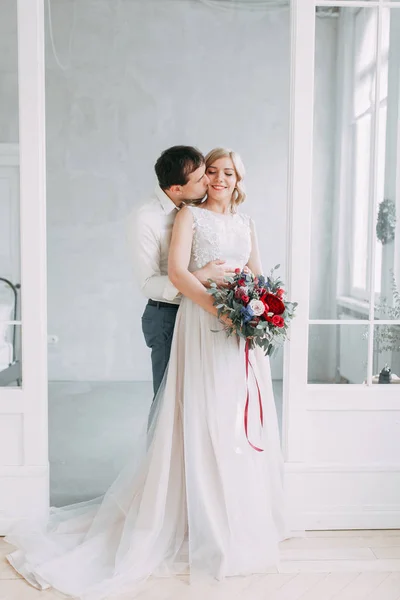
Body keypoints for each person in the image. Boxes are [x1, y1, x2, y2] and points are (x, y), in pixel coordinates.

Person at [5, 148, 287, 600]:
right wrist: (221, 308)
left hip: (238, 332)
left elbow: (256, 275)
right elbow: (172, 274)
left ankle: (232, 512)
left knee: (233, 417)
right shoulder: (184, 218)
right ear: (186, 185)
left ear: (239, 179)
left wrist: (262, 312)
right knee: (190, 414)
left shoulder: (246, 223)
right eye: (208, 172)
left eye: (225, 172)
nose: (215, 179)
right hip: (200, 321)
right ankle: (183, 512)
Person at [133, 146, 237, 407]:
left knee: (200, 400)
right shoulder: (145, 219)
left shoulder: (196, 209)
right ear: (176, 189)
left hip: (200, 314)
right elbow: (147, 284)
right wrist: (197, 276)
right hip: (167, 313)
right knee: (169, 402)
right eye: (202, 178)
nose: (210, 181)